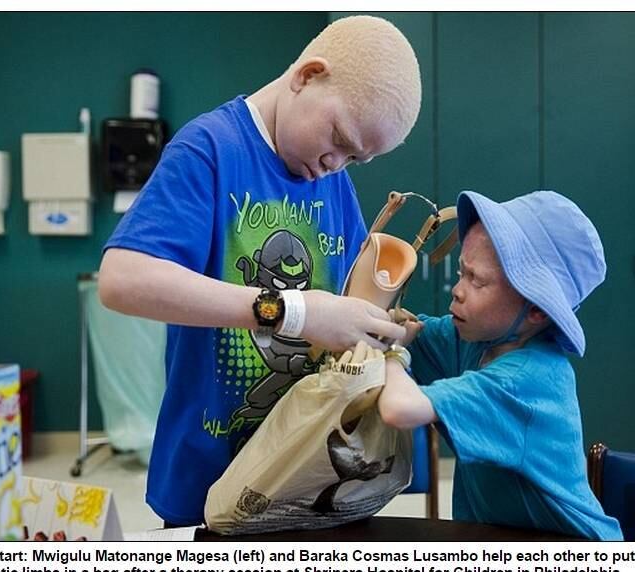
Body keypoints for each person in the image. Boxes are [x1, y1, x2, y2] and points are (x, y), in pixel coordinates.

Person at [98, 15, 419, 526]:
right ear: (308, 75)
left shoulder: (332, 181)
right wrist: (292, 311)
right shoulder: (209, 149)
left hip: (306, 479)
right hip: (208, 479)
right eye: (339, 138)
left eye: (356, 159)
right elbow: (121, 280)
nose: (337, 164)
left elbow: (347, 309)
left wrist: (378, 331)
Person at [378, 190, 624, 540]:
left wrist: (390, 352)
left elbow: (399, 408)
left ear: (537, 310)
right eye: (461, 272)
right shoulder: (474, 339)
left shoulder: (526, 382)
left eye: (476, 280)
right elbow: (408, 329)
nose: (457, 290)